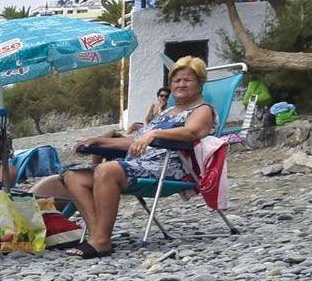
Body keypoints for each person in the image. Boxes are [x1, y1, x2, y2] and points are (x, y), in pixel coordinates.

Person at [57, 55, 216, 259]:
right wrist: (98, 141)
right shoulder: (167, 112)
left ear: (199, 84)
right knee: (73, 176)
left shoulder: (202, 110)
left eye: (187, 80)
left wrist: (154, 134)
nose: (181, 84)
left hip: (170, 166)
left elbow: (192, 132)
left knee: (106, 170)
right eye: (177, 80)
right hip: (139, 163)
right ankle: (98, 236)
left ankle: (100, 240)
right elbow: (134, 141)